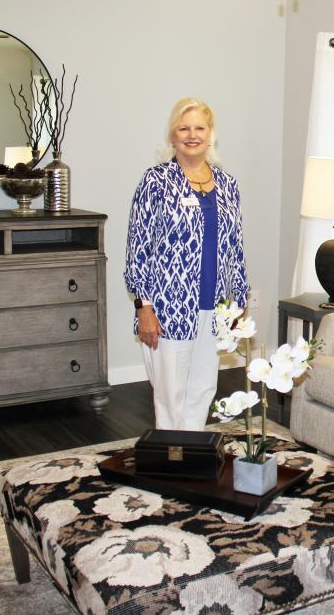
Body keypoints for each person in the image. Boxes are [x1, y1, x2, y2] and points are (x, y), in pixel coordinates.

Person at [124, 98, 248, 431]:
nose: (192, 135)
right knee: (170, 394)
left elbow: (235, 245)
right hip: (168, 307)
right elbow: (139, 248)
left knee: (204, 388)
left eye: (199, 128)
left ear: (211, 135)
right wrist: (143, 307)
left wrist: (240, 300)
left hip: (215, 306)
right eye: (184, 128)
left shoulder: (227, 184)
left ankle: (191, 453)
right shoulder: (155, 182)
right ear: (172, 136)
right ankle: (171, 457)